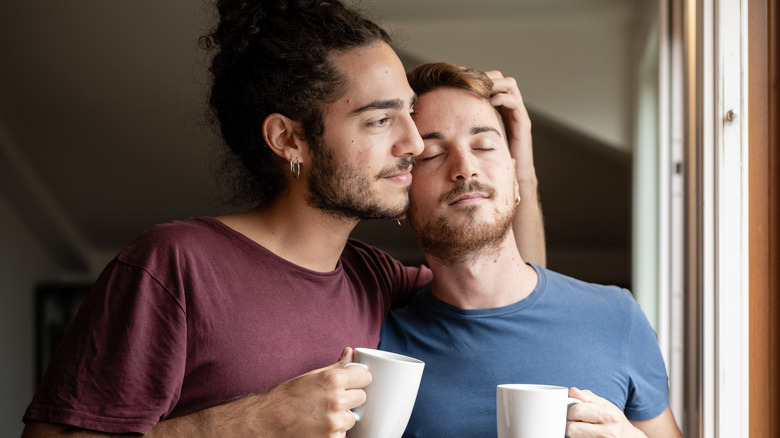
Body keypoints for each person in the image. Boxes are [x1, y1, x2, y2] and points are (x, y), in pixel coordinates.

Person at [21, 2, 545, 437]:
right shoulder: (176, 264)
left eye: (408, 113)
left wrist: (517, 162)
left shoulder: (375, 278)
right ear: (288, 139)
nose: (412, 142)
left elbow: (515, 294)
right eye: (381, 119)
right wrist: (254, 419)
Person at [378, 62, 683, 438]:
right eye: (433, 154)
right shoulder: (382, 343)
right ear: (402, 195)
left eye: (484, 145)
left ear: (514, 173)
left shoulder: (618, 318)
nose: (466, 167)